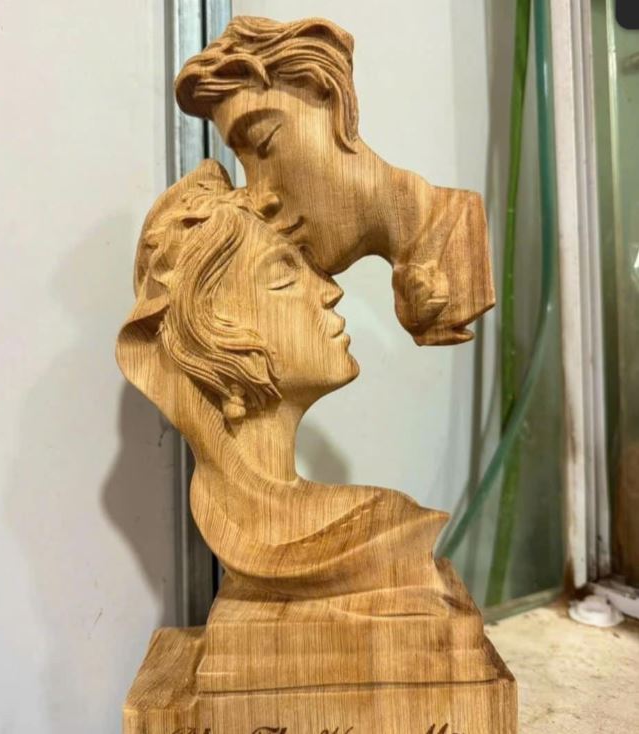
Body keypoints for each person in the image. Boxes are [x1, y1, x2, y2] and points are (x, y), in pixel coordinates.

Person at [117, 159, 448, 605]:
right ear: (213, 332)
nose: (330, 290)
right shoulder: (375, 532)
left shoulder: (384, 522)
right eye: (283, 276)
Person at [175, 16, 495, 346]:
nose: (260, 198)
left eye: (262, 141)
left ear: (326, 93)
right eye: (244, 164)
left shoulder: (463, 243)